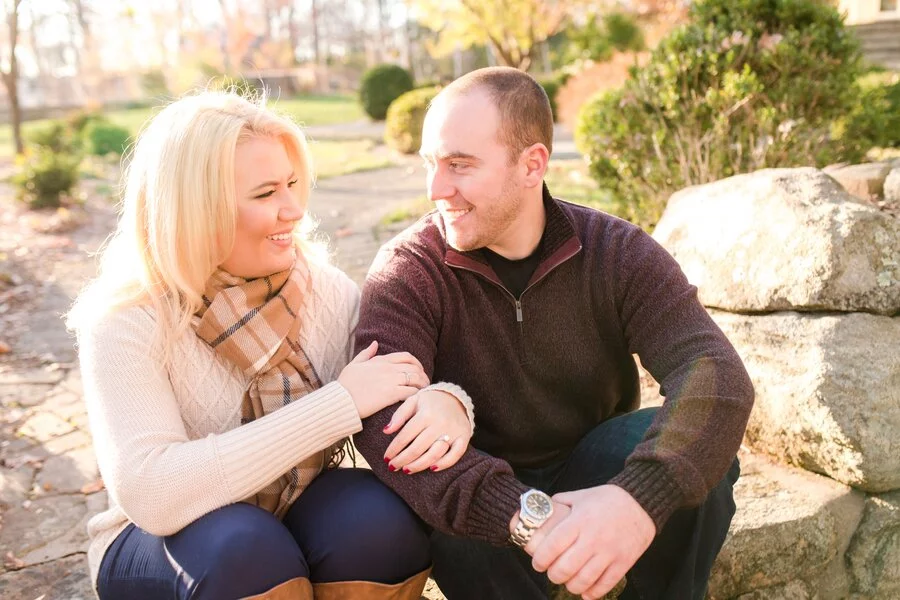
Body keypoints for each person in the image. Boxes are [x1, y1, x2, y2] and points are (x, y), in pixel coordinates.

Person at [353, 66, 754, 600]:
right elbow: (384, 429)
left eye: (459, 165)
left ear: (532, 164)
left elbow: (715, 372)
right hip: (482, 494)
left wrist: (635, 503)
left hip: (591, 465)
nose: (435, 188)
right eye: (430, 164)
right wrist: (527, 518)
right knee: (445, 517)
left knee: (700, 449)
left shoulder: (617, 251)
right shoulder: (408, 269)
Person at [66, 90, 477, 600]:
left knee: (378, 523)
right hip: (163, 544)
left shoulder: (323, 290)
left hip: (295, 505)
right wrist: (338, 406)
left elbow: (399, 385)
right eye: (265, 195)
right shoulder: (126, 319)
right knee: (245, 548)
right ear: (196, 210)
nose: (293, 210)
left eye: (291, 185)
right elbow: (153, 493)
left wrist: (449, 401)